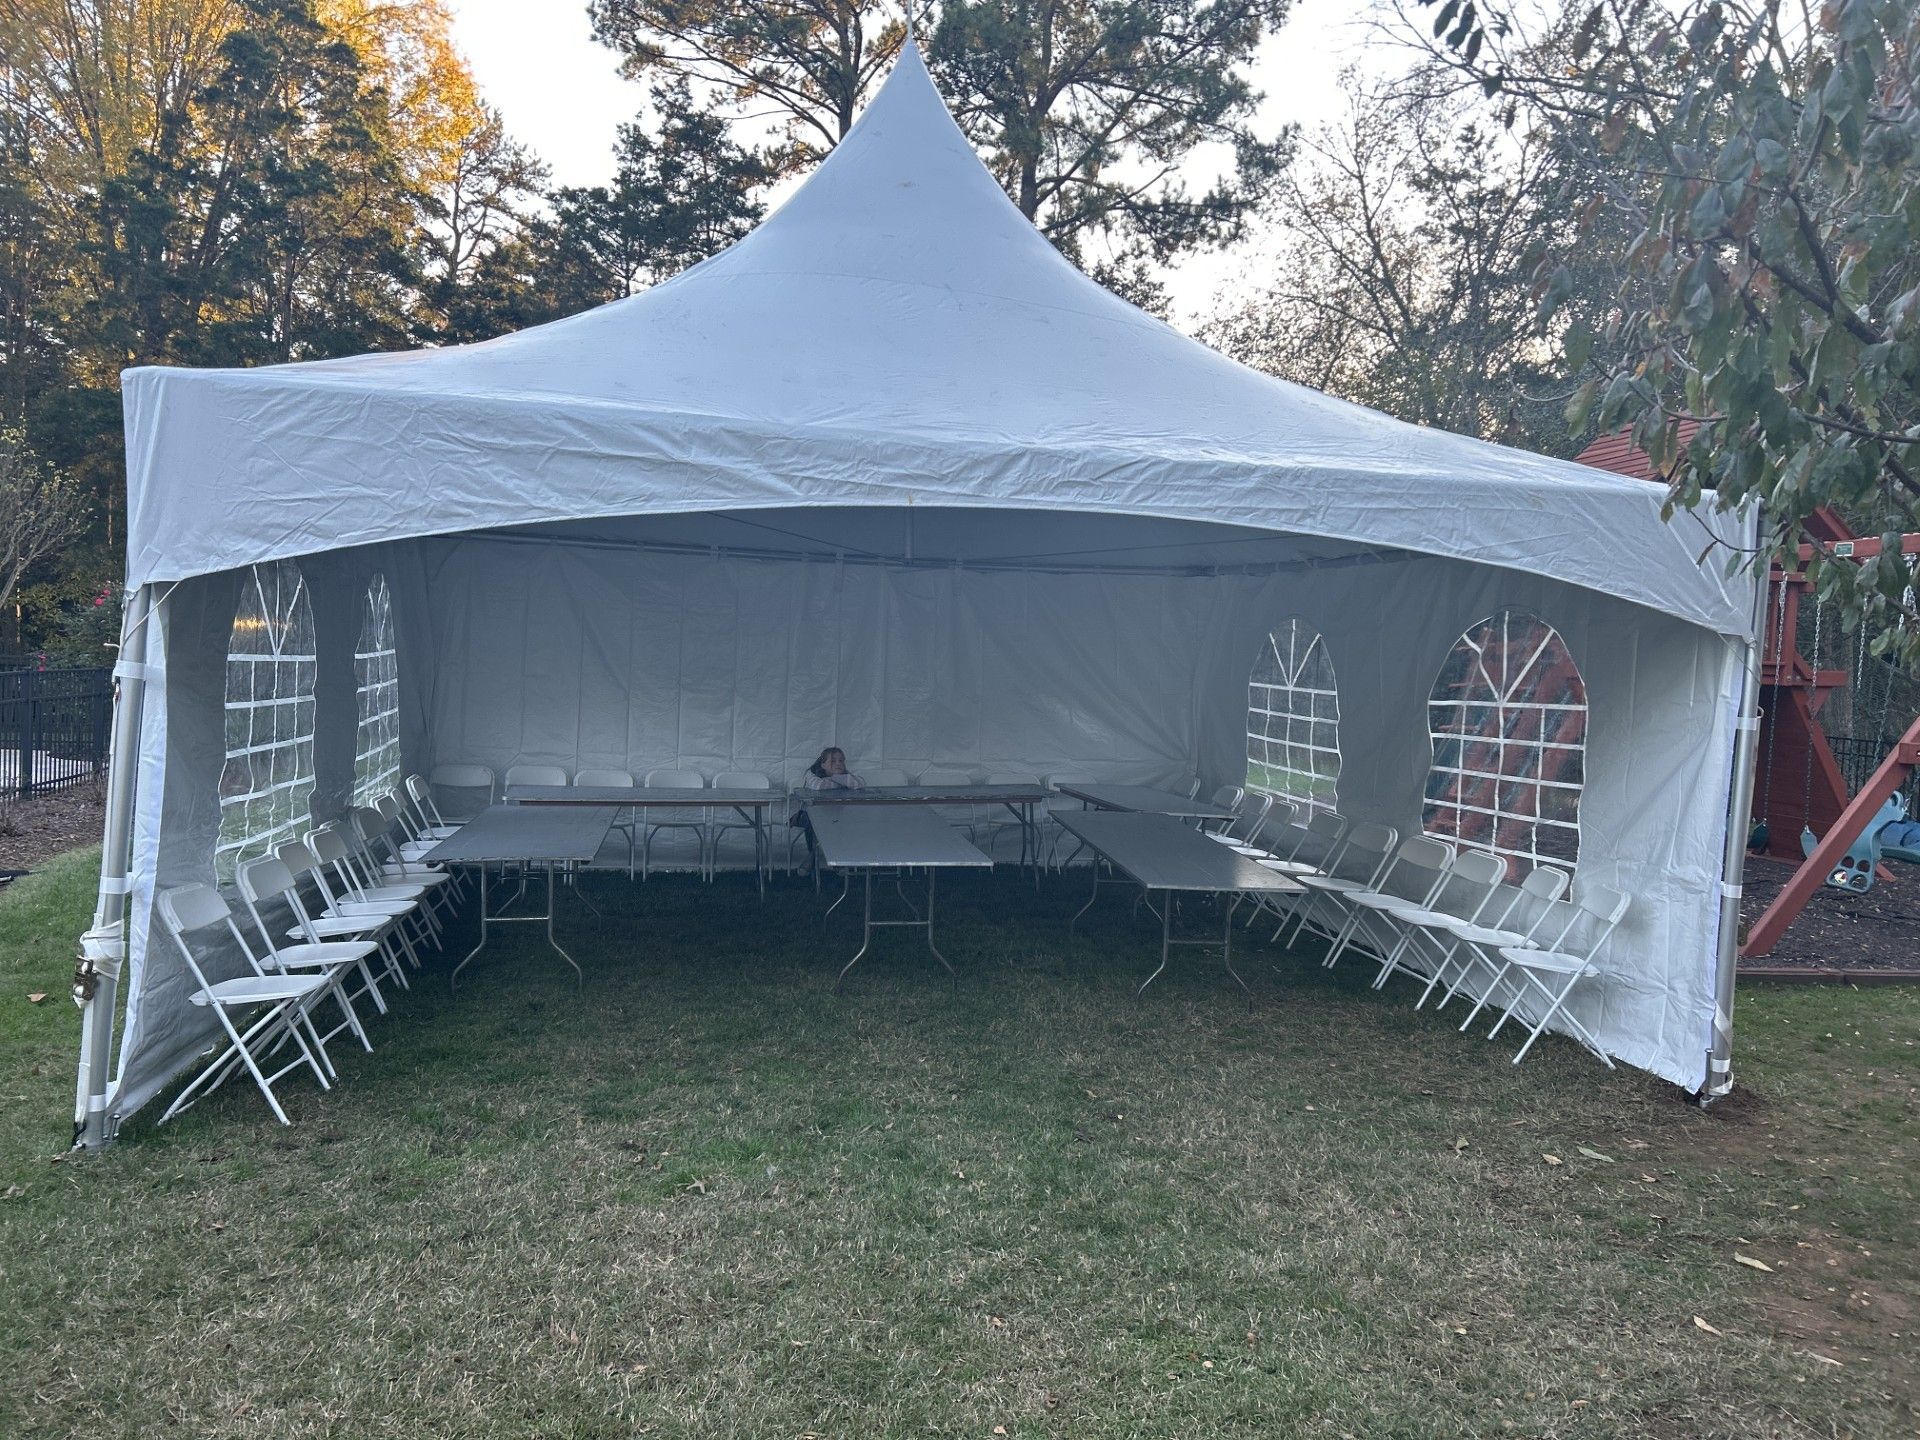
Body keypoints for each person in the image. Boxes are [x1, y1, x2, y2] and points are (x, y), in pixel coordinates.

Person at [795, 746, 865, 871]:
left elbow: (859, 784)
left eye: (841, 760)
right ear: (822, 764)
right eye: (833, 761)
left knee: (843, 821)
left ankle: (829, 859)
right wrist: (841, 781)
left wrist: (836, 777)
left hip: (836, 815)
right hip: (809, 815)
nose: (838, 764)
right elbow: (819, 786)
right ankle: (821, 857)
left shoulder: (844, 776)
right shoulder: (811, 774)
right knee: (815, 821)